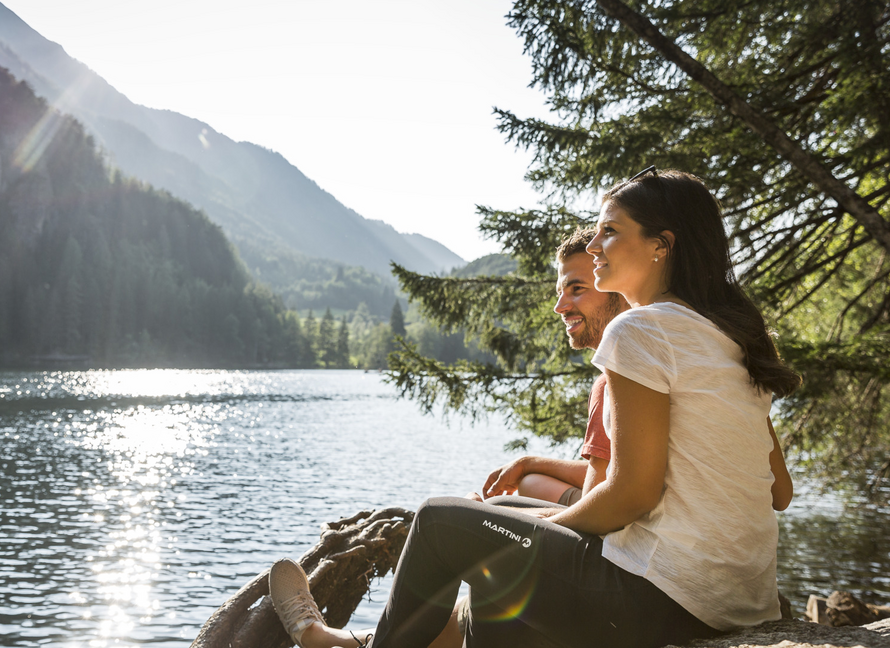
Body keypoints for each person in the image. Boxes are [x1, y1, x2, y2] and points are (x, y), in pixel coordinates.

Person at [270, 168, 802, 648]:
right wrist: (550, 521)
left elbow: (635, 493)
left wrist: (559, 521)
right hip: (738, 601)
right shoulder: (730, 336)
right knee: (500, 517)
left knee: (438, 521)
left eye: (610, 231)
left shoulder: (641, 329)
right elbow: (780, 490)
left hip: (666, 602)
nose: (594, 244)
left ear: (662, 245)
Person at [471, 229, 624, 507]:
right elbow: (615, 473)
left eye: (577, 289)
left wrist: (485, 514)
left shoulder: (615, 380)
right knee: (530, 481)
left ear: (618, 288)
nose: (559, 307)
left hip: (615, 538)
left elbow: (595, 506)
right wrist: (529, 463)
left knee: (483, 509)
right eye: (560, 293)